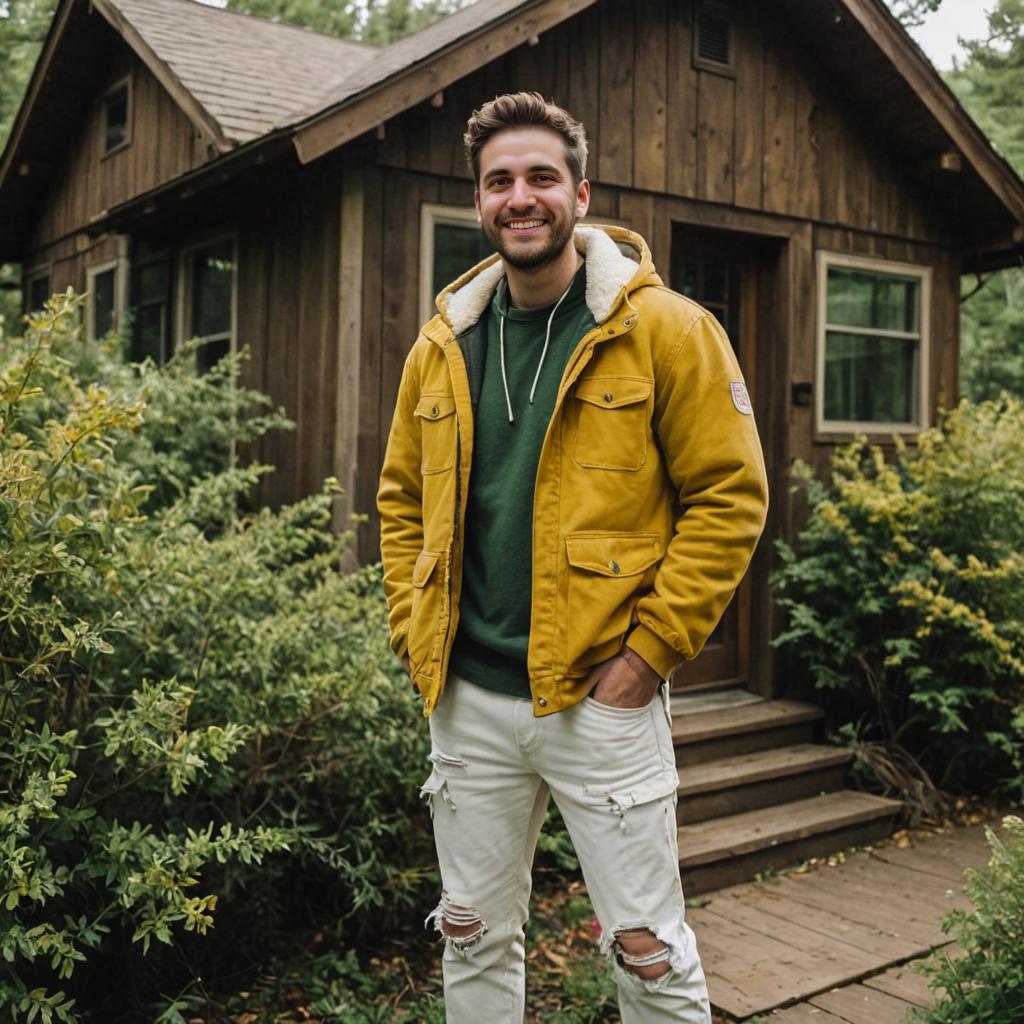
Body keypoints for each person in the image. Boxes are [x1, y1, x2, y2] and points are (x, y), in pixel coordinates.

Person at [377, 91, 768, 1024]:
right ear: (479, 202)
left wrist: (645, 662)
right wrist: (413, 631)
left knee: (649, 956)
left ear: (580, 193)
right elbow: (398, 502)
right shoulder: (442, 347)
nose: (521, 197)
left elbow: (730, 500)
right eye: (499, 181)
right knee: (471, 938)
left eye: (541, 177)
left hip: (604, 699)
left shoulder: (667, 330)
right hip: (467, 701)